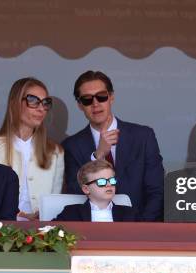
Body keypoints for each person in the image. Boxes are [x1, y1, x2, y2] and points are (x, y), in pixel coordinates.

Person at [62, 71, 164, 221]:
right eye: (87, 99)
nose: (95, 104)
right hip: (92, 230)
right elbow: (76, 193)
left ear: (111, 97)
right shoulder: (71, 145)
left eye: (101, 96)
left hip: (141, 228)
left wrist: (141, 229)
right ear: (79, 105)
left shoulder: (143, 136)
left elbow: (157, 191)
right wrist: (99, 156)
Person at [0, 77, 64, 221]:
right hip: (0, 233)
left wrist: (40, 216)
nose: (41, 108)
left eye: (45, 103)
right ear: (15, 103)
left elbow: (54, 204)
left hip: (42, 235)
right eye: (33, 100)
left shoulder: (55, 152)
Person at [54, 160, 136, 221]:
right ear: (86, 189)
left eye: (111, 180)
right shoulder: (71, 212)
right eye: (101, 182)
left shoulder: (129, 213)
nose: (109, 184)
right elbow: (49, 234)